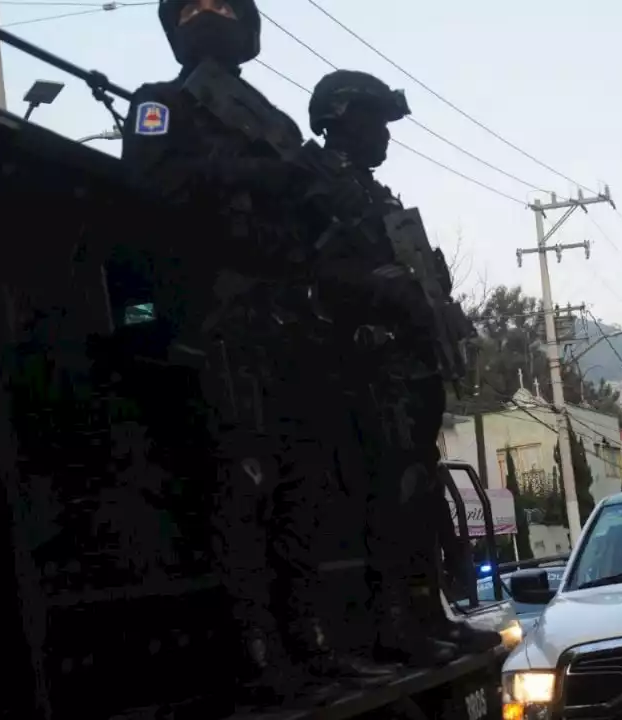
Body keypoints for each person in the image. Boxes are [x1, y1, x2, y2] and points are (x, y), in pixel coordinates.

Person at [121, 0, 375, 695]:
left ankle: (310, 640)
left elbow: (310, 221)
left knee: (302, 495)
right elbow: (146, 189)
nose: (210, 14)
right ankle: (258, 654)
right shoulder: (160, 105)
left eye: (223, 3)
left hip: (290, 328)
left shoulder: (278, 121)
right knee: (244, 494)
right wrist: (256, 176)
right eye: (195, 5)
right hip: (219, 324)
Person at [308, 69, 493, 664]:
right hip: (364, 372)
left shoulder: (372, 194)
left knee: (417, 494)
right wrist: (380, 290)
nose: (385, 136)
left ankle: (424, 611)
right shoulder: (318, 184)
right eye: (375, 122)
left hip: (408, 371)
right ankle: (395, 619)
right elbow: (311, 273)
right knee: (390, 496)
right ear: (341, 119)